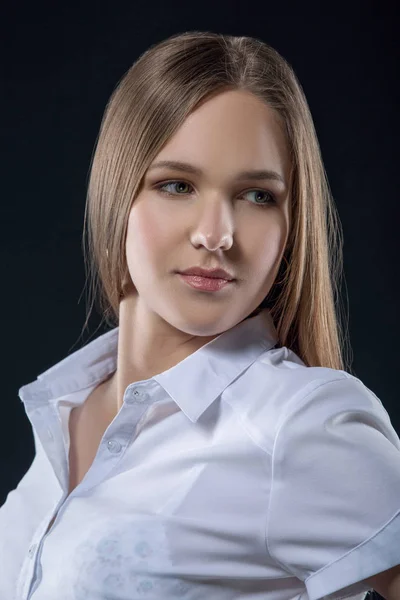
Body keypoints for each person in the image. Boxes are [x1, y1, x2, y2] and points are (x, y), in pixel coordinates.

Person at [1, 31, 399, 600]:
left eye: (258, 195)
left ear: (293, 222)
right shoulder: (63, 409)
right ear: (118, 197)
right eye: (177, 185)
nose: (216, 234)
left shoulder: (298, 423)